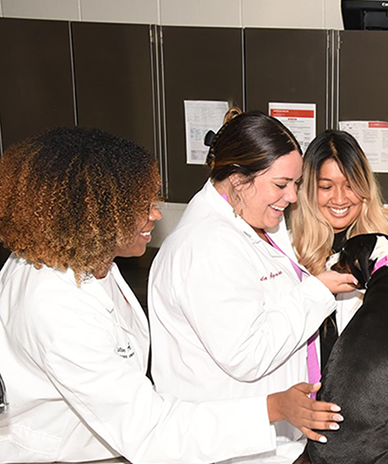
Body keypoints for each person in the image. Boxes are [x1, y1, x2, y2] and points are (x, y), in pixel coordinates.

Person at [0, 127, 341, 464]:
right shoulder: (55, 306)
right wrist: (272, 408)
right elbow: (146, 427)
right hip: (49, 461)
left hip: (99, 443)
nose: (156, 214)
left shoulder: (83, 259)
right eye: (140, 206)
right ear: (94, 218)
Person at [149, 110, 357, 443]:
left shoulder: (254, 222)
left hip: (266, 440)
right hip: (226, 442)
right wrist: (317, 291)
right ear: (238, 180)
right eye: (281, 185)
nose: (292, 197)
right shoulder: (206, 246)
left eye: (296, 184)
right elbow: (247, 355)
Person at [289, 129, 388, 367]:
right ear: (308, 190)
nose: (339, 199)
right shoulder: (290, 250)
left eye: (350, 186)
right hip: (309, 386)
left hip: (370, 384)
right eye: (326, 187)